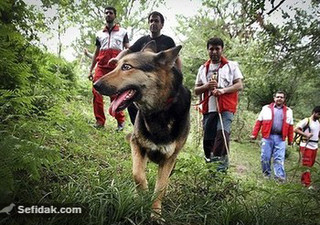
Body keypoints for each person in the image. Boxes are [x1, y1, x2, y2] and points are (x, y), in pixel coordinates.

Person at [108, 11, 182, 125]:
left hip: (160, 83)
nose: (153, 23)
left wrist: (179, 78)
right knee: (132, 103)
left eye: (156, 21)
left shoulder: (168, 41)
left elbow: (176, 59)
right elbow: (128, 51)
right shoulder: (143, 40)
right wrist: (117, 59)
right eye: (151, 21)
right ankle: (137, 129)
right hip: (140, 81)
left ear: (162, 25)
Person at [194, 37, 243, 171]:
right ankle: (210, 167)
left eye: (217, 49)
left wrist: (223, 90)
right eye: (211, 49)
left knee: (222, 134)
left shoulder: (231, 66)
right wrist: (207, 86)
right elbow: (196, 90)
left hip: (225, 107)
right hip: (209, 109)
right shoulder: (203, 68)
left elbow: (239, 85)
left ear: (222, 49)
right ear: (207, 50)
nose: (214, 52)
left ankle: (220, 169)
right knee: (208, 140)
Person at [88, 6, 129, 130]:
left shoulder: (123, 32)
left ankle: (120, 121)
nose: (108, 14)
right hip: (101, 67)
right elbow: (96, 53)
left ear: (115, 15)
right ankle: (100, 122)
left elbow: (128, 49)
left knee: (114, 94)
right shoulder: (99, 34)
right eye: (106, 13)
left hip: (115, 68)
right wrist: (90, 69)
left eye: (111, 12)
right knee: (96, 92)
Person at [251, 91, 294, 181]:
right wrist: (254, 134)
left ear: (284, 99)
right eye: (278, 97)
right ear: (274, 98)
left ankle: (279, 177)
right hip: (267, 137)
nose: (279, 99)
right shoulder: (266, 108)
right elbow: (259, 122)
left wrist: (290, 140)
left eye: (281, 97)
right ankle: (266, 174)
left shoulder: (289, 111)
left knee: (279, 157)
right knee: (265, 157)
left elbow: (290, 127)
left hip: (280, 138)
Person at [294, 106, 320, 188]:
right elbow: (296, 129)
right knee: (306, 165)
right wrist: (306, 134)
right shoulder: (306, 121)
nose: (319, 116)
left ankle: (303, 181)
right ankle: (307, 183)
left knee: (311, 165)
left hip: (314, 146)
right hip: (306, 145)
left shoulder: (318, 123)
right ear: (314, 113)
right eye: (319, 114)